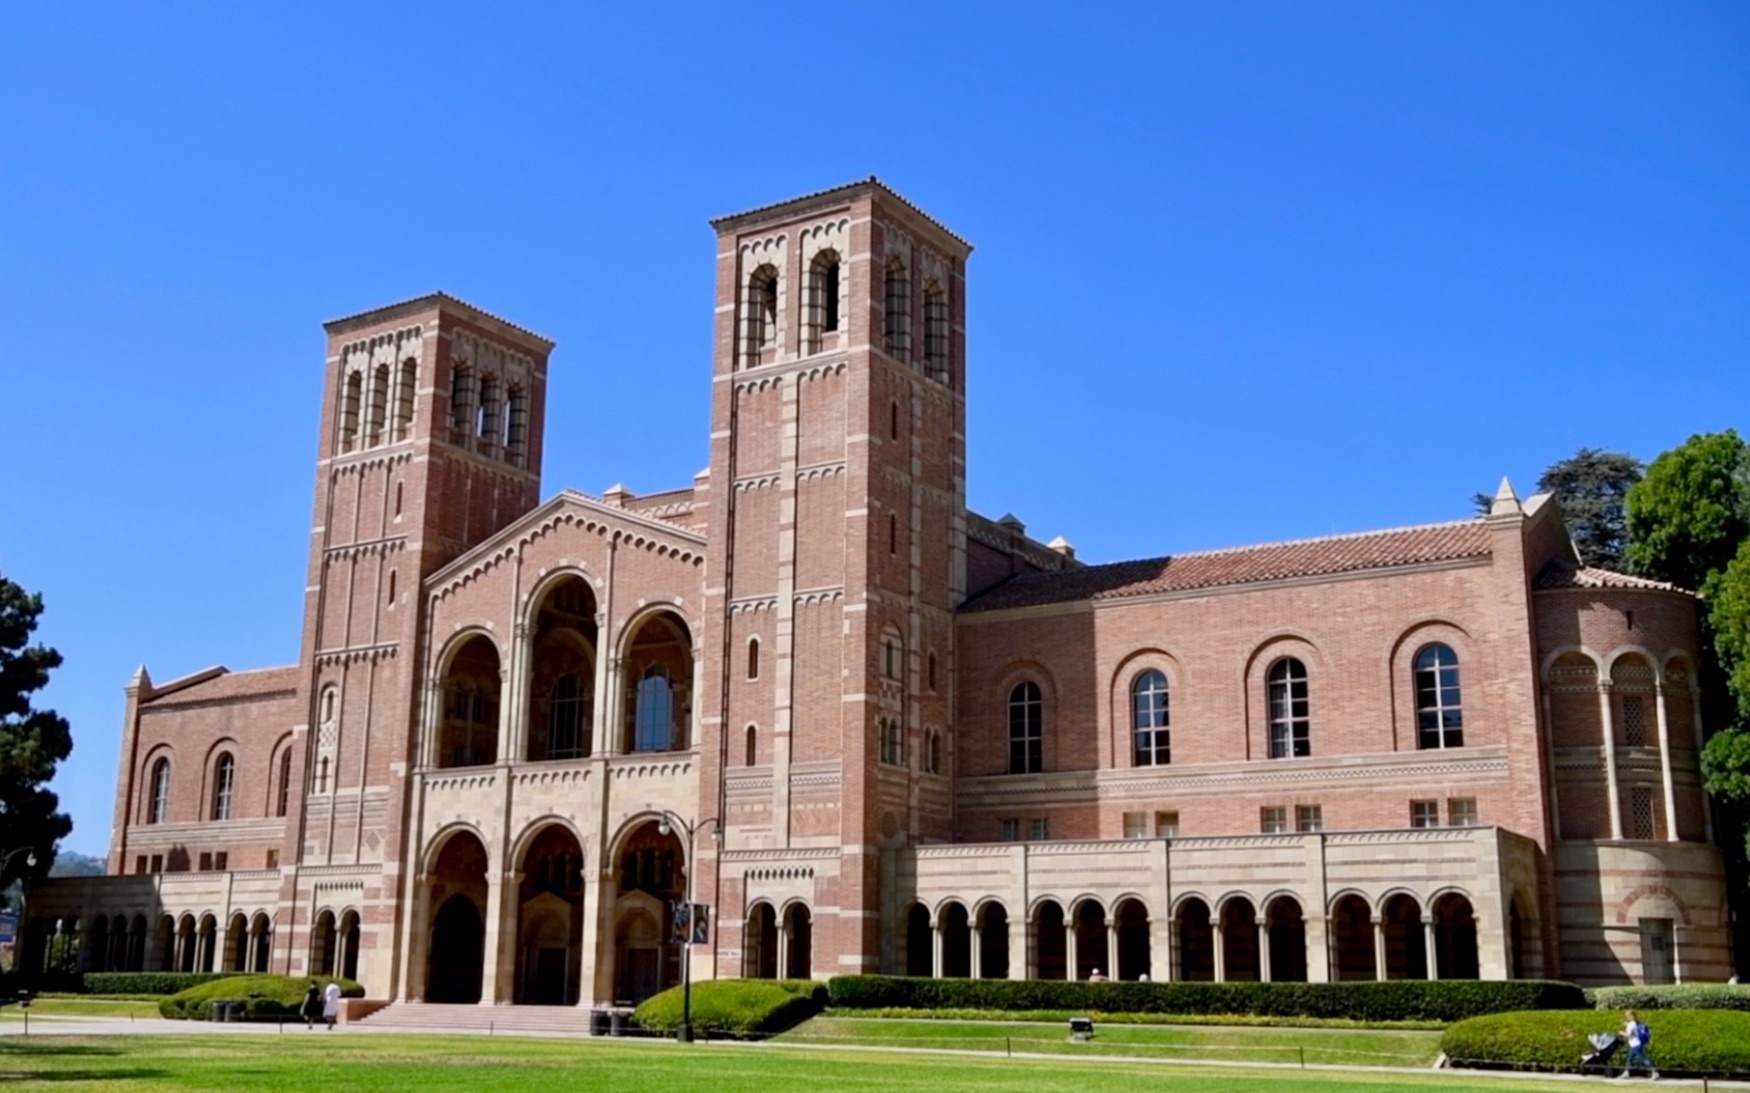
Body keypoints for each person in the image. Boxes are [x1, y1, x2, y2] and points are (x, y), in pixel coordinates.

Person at [1621, 1009, 1657, 1080]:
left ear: (1631, 1016)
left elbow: (1629, 1035)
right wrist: (1626, 1024)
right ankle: (1626, 1073)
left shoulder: (1631, 1024)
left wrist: (1621, 1033)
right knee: (1630, 1059)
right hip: (1634, 1044)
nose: (1626, 1017)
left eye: (1627, 1016)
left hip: (1635, 1045)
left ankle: (1654, 1072)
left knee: (1643, 1059)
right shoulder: (1635, 1023)